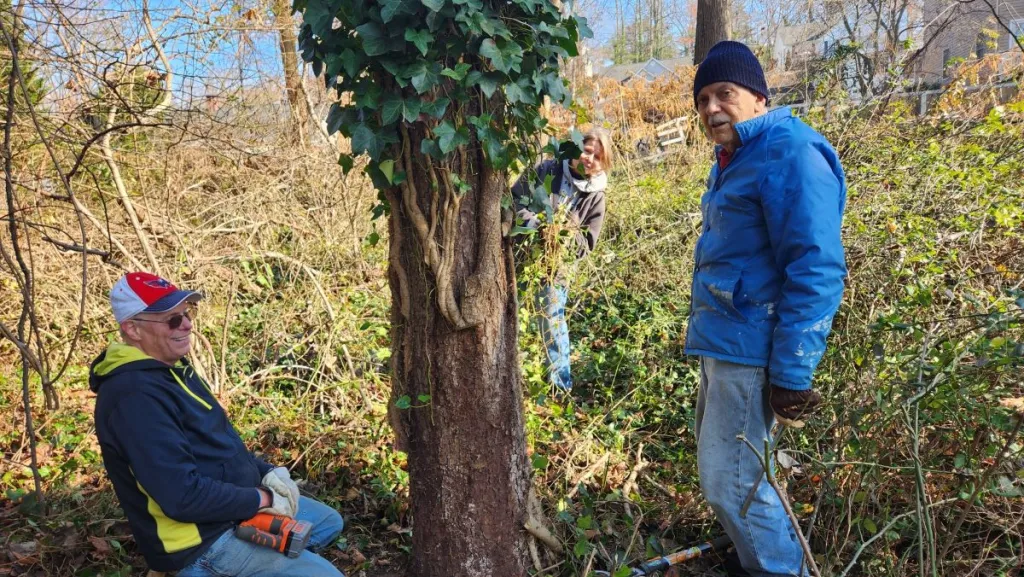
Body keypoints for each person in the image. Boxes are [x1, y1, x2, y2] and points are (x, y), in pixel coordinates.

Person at [686, 41, 846, 577]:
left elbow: (816, 266)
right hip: (726, 343)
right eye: (703, 98)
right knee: (739, 476)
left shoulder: (789, 150)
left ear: (758, 95)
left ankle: (781, 570)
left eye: (724, 93)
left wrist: (794, 371)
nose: (711, 108)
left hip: (752, 350)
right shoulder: (735, 159)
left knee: (729, 481)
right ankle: (760, 557)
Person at [90, 272, 344, 577]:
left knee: (327, 523)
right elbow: (181, 497)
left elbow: (220, 445)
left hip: (231, 509)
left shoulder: (170, 370)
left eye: (186, 314)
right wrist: (261, 499)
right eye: (172, 320)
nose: (186, 325)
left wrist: (268, 474)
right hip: (199, 541)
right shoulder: (135, 396)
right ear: (132, 328)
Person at [512, 128, 613, 391]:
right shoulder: (547, 169)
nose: (589, 159)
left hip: (556, 269)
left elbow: (586, 244)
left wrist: (563, 235)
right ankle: (508, 374)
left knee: (552, 323)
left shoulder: (596, 198)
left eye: (597, 157)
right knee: (510, 314)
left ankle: (559, 386)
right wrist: (537, 225)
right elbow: (514, 201)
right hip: (520, 256)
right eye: (587, 151)